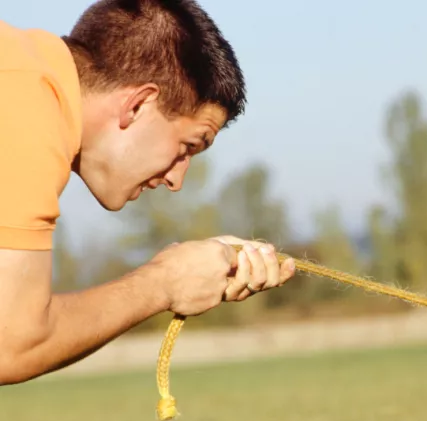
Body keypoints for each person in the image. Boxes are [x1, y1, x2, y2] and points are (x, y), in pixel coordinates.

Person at [0, 0, 296, 385]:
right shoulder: (25, 110)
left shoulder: (21, 75)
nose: (177, 180)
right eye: (189, 146)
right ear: (138, 104)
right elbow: (12, 342)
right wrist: (164, 283)